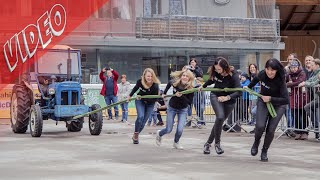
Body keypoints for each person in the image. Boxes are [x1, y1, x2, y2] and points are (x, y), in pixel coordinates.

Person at [248, 58, 289, 162]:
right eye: (268, 69)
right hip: (263, 101)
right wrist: (248, 87)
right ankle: (256, 142)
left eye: (272, 70)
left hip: (278, 104)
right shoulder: (262, 74)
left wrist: (271, 98)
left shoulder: (281, 80)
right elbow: (255, 80)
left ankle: (264, 151)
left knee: (270, 129)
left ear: (276, 70)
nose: (270, 72)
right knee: (260, 126)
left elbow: (286, 100)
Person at [201, 57, 241, 155]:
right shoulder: (216, 73)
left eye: (219, 69)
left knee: (219, 121)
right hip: (216, 95)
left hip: (229, 100)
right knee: (220, 117)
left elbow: (239, 91)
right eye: (216, 69)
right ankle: (217, 144)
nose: (217, 71)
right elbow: (211, 80)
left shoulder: (233, 75)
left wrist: (227, 97)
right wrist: (203, 86)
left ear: (225, 67)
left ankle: (207, 144)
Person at [156, 69, 195, 149]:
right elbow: (169, 83)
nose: (184, 77)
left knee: (180, 129)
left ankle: (176, 142)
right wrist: (164, 93)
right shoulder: (176, 83)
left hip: (183, 109)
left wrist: (182, 95)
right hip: (172, 107)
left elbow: (189, 102)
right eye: (183, 75)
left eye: (186, 76)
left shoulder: (191, 88)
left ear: (189, 78)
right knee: (168, 129)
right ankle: (160, 134)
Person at [128, 68, 160, 144]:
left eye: (151, 76)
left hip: (150, 103)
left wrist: (145, 97)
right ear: (144, 76)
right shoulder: (140, 82)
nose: (149, 78)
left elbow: (155, 98)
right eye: (148, 76)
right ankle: (136, 134)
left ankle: (136, 135)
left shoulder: (155, 86)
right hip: (140, 101)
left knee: (143, 122)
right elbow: (135, 88)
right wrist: (130, 96)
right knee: (140, 117)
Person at [299, 58, 320, 140]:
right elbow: (311, 80)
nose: (311, 66)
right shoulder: (315, 73)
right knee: (309, 108)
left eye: (312, 65)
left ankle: (315, 126)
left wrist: (305, 83)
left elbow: (314, 82)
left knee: (307, 107)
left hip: (317, 97)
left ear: (317, 65)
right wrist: (305, 82)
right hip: (316, 97)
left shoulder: (318, 73)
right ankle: (315, 126)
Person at [286, 60, 308, 140]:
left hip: (302, 97)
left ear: (298, 67)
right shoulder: (289, 75)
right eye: (292, 67)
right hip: (293, 97)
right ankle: (298, 132)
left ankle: (305, 132)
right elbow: (284, 83)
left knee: (303, 115)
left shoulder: (302, 73)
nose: (294, 69)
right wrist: (289, 84)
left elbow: (300, 81)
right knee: (295, 115)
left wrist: (290, 84)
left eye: (295, 67)